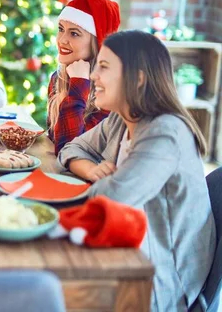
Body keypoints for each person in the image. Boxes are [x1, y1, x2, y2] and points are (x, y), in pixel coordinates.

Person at [57, 30, 215, 311]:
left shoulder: (165, 133)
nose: (94, 76)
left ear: (138, 78)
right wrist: (93, 170)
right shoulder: (122, 120)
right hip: (123, 252)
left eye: (104, 67)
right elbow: (70, 149)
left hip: (157, 283)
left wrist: (110, 182)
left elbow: (111, 199)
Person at [47, 0, 120, 154]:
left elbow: (70, 150)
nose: (62, 40)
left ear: (97, 43)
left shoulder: (111, 92)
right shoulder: (58, 79)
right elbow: (55, 142)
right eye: (60, 29)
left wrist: (79, 84)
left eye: (74, 33)